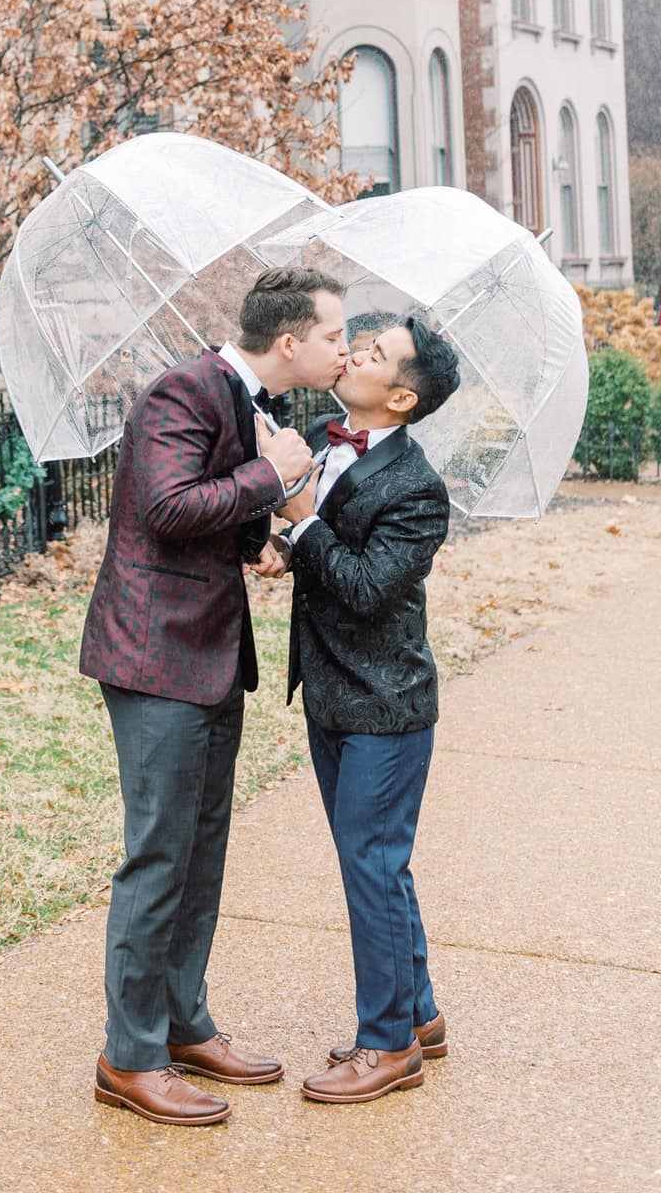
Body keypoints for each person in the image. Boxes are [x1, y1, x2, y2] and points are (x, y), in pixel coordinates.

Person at [79, 267, 348, 1126]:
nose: (345, 348)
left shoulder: (246, 402)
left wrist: (256, 537)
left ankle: (183, 1022)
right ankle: (130, 1056)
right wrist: (273, 479)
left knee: (202, 850)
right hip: (156, 661)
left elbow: (206, 511)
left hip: (210, 655)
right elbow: (161, 505)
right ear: (289, 342)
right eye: (336, 335)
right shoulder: (182, 391)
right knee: (159, 855)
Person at [257, 312, 460, 1105]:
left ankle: (386, 1047)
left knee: (370, 870)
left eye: (373, 354)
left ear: (401, 398)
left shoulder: (418, 489)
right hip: (330, 689)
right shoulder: (320, 435)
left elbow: (369, 588)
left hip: (386, 706)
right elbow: (319, 546)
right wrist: (282, 546)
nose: (352, 353)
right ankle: (419, 1015)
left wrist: (301, 518)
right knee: (377, 865)